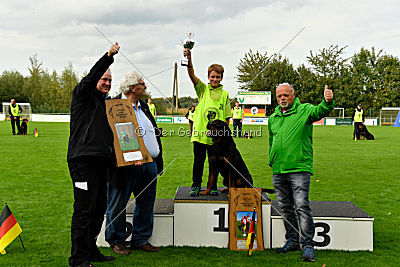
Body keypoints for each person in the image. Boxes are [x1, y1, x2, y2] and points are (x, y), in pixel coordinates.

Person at [67, 42, 120, 267]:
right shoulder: (82, 95)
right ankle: (77, 258)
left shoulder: (104, 104)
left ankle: (90, 250)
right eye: (103, 79)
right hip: (83, 163)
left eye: (110, 80)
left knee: (99, 210)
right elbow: (91, 77)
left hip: (101, 164)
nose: (107, 83)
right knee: (84, 210)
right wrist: (108, 56)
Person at [268, 83, 334, 262]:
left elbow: (320, 111)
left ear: (293, 95)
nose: (282, 98)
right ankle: (292, 240)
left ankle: (307, 246)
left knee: (302, 207)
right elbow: (271, 141)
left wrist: (327, 101)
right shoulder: (273, 117)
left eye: (286, 95)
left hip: (299, 169)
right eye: (279, 95)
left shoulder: (304, 110)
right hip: (279, 170)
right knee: (285, 208)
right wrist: (272, 160)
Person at [105, 71, 163, 255]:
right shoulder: (113, 105)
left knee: (146, 203)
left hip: (149, 165)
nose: (145, 86)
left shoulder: (143, 106)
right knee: (118, 202)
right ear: (132, 88)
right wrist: (128, 157)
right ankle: (116, 240)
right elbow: (111, 137)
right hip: (125, 166)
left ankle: (140, 239)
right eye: (142, 83)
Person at [183, 48, 232, 196]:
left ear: (221, 78)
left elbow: (227, 118)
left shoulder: (225, 95)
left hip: (215, 138)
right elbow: (191, 75)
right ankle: (195, 185)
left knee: (215, 163)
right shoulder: (203, 89)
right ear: (208, 77)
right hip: (199, 134)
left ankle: (213, 186)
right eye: (212, 77)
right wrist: (189, 59)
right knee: (198, 162)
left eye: (217, 77)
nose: (215, 79)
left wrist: (223, 137)